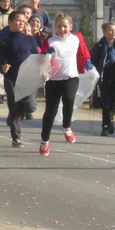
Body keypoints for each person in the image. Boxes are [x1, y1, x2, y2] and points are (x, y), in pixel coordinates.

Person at [39, 14, 92, 156]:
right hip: (53, 79)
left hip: (71, 77)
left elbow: (84, 52)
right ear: (55, 27)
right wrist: (46, 54)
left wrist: (87, 61)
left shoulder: (76, 39)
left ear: (70, 27)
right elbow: (40, 57)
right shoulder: (50, 41)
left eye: (65, 26)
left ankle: (67, 126)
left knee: (69, 99)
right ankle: (45, 140)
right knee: (51, 111)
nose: (62, 29)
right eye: (59, 26)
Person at [0, 10, 40, 147]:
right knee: (14, 106)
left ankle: (16, 114)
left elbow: (37, 57)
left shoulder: (29, 39)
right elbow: (0, 62)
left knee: (30, 107)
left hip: (28, 79)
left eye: (23, 21)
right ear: (10, 22)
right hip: (11, 78)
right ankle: (16, 138)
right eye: (18, 21)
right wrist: (3, 67)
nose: (21, 23)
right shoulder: (4, 41)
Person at [90, 22, 115, 137]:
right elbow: (93, 61)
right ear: (104, 32)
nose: (113, 32)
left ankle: (110, 120)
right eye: (110, 30)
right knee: (106, 102)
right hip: (104, 78)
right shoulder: (99, 46)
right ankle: (105, 126)